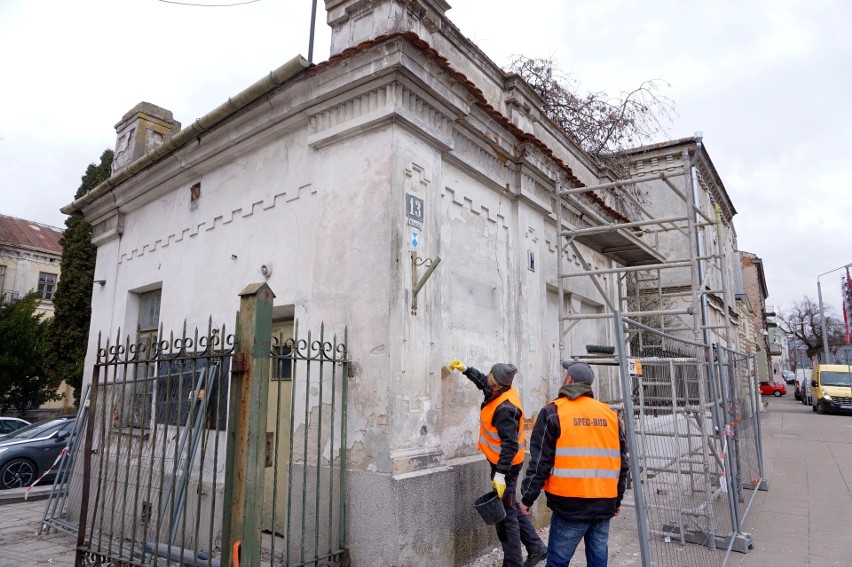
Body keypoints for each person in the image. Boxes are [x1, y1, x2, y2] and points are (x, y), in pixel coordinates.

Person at [519, 361, 629, 567]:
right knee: (598, 561)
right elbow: (622, 464)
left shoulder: (553, 412)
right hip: (604, 503)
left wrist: (527, 499)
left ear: (569, 380)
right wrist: (617, 501)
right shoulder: (610, 415)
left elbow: (541, 462)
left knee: (558, 561)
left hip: (571, 506)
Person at [447, 359, 548, 567]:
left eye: (490, 373)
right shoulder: (500, 391)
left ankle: (513, 563)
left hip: (507, 467)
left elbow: (510, 445)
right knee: (509, 506)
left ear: (498, 381)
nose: (487, 375)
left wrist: (501, 475)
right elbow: (483, 382)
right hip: (502, 465)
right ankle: (537, 548)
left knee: (507, 516)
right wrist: (466, 370)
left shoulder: (505, 408)